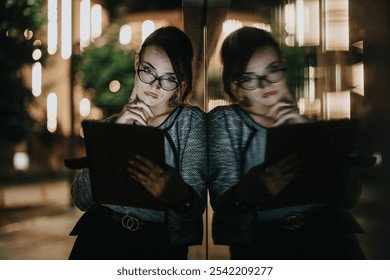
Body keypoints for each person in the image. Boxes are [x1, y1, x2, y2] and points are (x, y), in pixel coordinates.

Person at [208, 26, 365, 259]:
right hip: (266, 245)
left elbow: (348, 195)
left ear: (283, 65)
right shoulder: (226, 121)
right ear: (235, 84)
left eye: (272, 70)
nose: (264, 84)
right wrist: (249, 193)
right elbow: (223, 202)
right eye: (249, 77)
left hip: (328, 238)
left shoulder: (305, 121)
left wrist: (308, 132)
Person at [68, 26, 207, 260]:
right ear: (137, 62)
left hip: (156, 247)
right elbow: (80, 198)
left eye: (169, 78)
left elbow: (194, 208)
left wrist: (176, 193)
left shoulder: (190, 122)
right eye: (148, 71)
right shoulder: (115, 122)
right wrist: (113, 136)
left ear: (182, 82)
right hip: (99, 237)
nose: (154, 86)